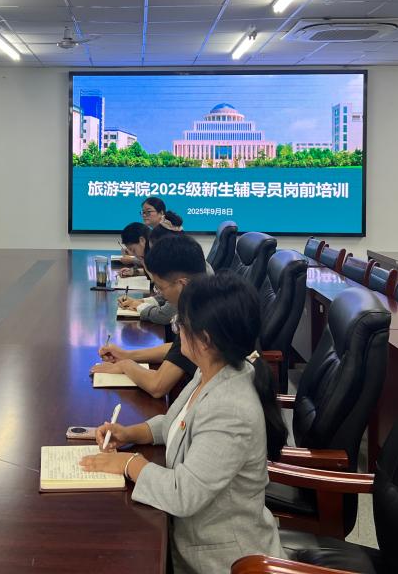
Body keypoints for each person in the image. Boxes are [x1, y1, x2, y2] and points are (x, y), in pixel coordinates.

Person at [81, 274, 288, 574]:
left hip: (225, 560)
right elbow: (175, 422)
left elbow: (183, 494)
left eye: (181, 325)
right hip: (192, 537)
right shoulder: (213, 370)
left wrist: (128, 464)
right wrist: (130, 433)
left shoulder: (231, 408)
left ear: (205, 340)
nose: (177, 331)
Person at [94, 234, 205, 397]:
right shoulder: (202, 298)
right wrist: (127, 355)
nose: (161, 295)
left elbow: (157, 385)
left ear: (182, 284)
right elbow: (177, 349)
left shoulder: (202, 316)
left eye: (160, 288)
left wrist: (125, 365)